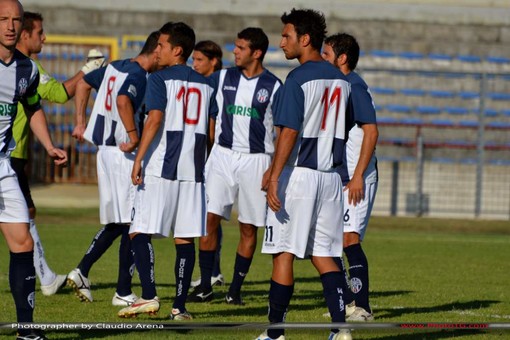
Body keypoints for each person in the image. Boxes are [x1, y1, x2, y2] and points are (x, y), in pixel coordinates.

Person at [257, 8, 352, 340]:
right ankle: (340, 329)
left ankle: (274, 334)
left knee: (283, 253)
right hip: (331, 180)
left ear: (305, 39)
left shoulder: (297, 78)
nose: (281, 42)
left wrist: (273, 175)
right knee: (325, 254)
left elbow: (289, 133)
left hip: (301, 176)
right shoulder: (341, 79)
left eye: (286, 36)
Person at [117, 21, 215, 320]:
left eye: (161, 45)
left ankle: (148, 296)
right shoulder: (208, 84)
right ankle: (180, 307)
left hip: (161, 167)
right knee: (185, 239)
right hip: (193, 172)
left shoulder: (159, 79)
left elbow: (155, 119)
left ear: (177, 50)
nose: (155, 50)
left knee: (138, 231)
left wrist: (138, 158)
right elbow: (210, 133)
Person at [11, 11, 105, 297]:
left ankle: (47, 276)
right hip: (9, 155)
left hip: (15, 155)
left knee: (25, 213)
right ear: (25, 34)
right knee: (23, 214)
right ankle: (46, 277)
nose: (45, 37)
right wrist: (87, 70)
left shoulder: (24, 67)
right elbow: (62, 93)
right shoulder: (26, 68)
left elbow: (40, 104)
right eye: (40, 32)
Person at [188, 27, 281, 305]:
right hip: (222, 157)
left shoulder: (274, 86)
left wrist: (273, 168)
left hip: (257, 161)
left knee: (248, 227)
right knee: (208, 220)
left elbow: (281, 131)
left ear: (257, 53)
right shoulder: (222, 78)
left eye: (240, 48)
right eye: (235, 47)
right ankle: (205, 285)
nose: (234, 52)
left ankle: (235, 290)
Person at [68, 31, 161, 306]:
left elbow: (83, 83)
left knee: (122, 222)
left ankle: (91, 274)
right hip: (123, 152)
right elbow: (123, 101)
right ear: (156, 51)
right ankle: (117, 287)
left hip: (104, 152)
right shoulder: (139, 76)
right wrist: (133, 134)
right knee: (134, 222)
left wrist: (80, 121)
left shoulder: (113, 66)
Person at [0, 1, 67, 339]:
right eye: (3, 20)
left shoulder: (27, 69)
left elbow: (33, 107)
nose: (10, 26)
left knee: (23, 242)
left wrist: (49, 144)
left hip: (2, 166)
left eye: (16, 20)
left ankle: (27, 330)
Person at [322, 33, 378, 322]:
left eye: (327, 54)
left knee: (349, 240)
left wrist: (357, 176)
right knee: (331, 240)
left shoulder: (355, 87)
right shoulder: (337, 86)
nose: (323, 58)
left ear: (342, 59)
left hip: (357, 178)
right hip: (339, 176)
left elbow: (371, 132)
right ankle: (347, 301)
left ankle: (363, 307)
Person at [190, 39, 225, 289]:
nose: (194, 64)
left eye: (199, 60)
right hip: (214, 153)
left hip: (217, 154)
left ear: (214, 61)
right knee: (213, 217)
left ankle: (211, 274)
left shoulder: (216, 83)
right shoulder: (207, 82)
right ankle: (215, 271)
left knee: (210, 216)